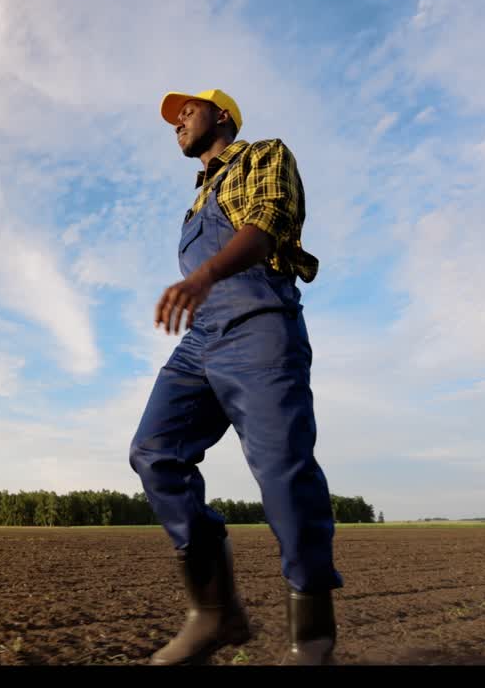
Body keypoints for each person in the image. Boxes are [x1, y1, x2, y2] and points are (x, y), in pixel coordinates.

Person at [129, 89, 342, 666]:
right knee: (154, 452)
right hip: (204, 341)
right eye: (173, 118)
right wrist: (202, 289)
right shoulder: (195, 206)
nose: (177, 121)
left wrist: (203, 277)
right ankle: (215, 612)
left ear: (222, 114)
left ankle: (312, 639)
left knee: (282, 470)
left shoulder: (262, 155)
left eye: (188, 111)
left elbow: (267, 227)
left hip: (259, 324)